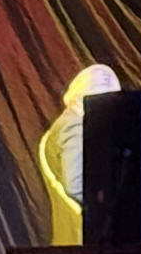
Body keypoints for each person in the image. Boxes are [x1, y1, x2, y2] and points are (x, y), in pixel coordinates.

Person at [39, 63, 120, 244]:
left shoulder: (71, 123)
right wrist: (111, 204)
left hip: (80, 239)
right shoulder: (74, 126)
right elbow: (75, 184)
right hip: (81, 240)